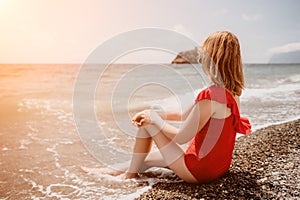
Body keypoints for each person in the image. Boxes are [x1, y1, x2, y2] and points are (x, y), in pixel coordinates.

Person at [84, 31, 251, 183]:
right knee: (145, 158)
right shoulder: (233, 93)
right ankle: (112, 171)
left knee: (147, 124)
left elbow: (181, 137)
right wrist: (156, 113)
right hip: (219, 167)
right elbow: (184, 115)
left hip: (198, 171)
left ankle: (129, 176)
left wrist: (153, 119)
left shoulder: (211, 96)